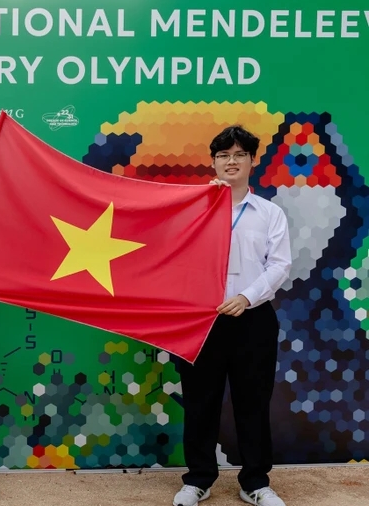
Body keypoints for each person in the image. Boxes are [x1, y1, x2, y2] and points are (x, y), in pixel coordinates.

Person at [172, 126, 292, 506]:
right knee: (200, 403)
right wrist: (206, 204)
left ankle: (255, 482)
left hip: (252, 320)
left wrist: (246, 296)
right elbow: (174, 257)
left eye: (240, 154)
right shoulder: (194, 209)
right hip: (201, 321)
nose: (231, 161)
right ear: (213, 162)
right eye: (223, 155)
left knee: (253, 404)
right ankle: (198, 479)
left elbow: (279, 265)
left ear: (253, 161)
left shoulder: (270, 213)